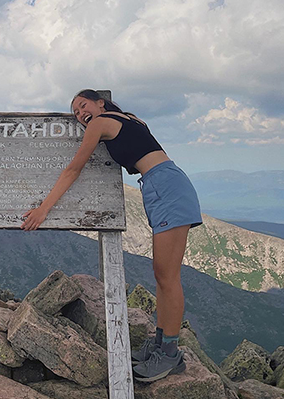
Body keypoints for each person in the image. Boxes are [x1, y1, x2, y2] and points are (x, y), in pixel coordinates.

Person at [21, 89, 202, 382]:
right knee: (162, 275)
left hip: (166, 187)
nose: (81, 114)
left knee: (168, 277)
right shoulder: (131, 119)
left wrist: (43, 209)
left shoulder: (100, 122)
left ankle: (169, 355)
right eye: (76, 113)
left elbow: (73, 169)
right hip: (163, 183)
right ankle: (161, 346)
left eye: (83, 106)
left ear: (99, 103)